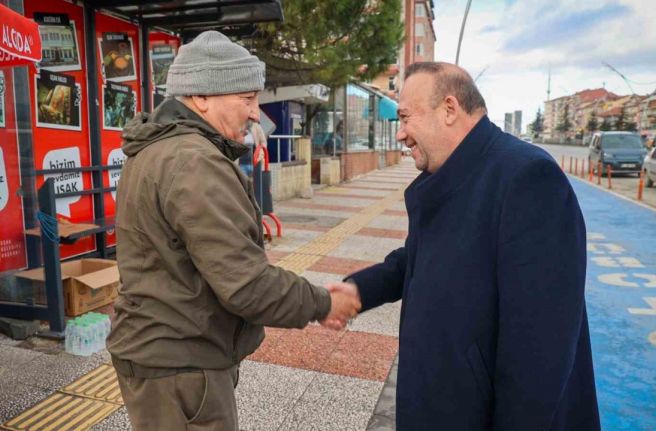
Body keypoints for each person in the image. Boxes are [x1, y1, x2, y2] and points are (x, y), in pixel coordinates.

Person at [107, 31, 360, 431]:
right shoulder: (194, 161)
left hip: (160, 352)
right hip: (181, 364)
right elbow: (246, 284)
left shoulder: (158, 148)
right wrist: (323, 303)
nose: (256, 113)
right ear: (201, 96)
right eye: (246, 99)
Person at [326, 62, 601, 430]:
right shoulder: (454, 172)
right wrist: (361, 290)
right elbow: (424, 256)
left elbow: (540, 352)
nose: (401, 134)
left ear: (449, 109)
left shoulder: (528, 177)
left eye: (405, 118)